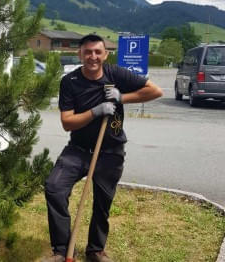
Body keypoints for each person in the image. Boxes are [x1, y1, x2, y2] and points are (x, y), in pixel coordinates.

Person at [43, 34, 163, 262]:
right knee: (54, 187)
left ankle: (96, 250)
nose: (93, 57)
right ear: (80, 54)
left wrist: (121, 97)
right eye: (88, 52)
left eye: (98, 52)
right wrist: (96, 111)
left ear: (105, 54)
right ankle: (61, 250)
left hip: (110, 152)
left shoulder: (115, 74)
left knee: (103, 201)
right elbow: (67, 122)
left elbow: (155, 91)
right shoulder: (70, 82)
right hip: (78, 149)